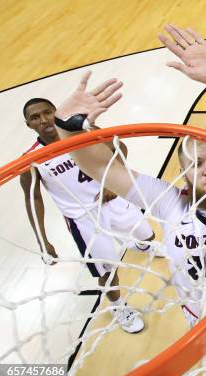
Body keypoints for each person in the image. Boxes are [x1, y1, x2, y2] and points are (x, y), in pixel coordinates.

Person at [51, 25, 206, 376]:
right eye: (196, 164)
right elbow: (102, 168)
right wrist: (66, 129)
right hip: (203, 325)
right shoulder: (170, 203)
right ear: (182, 174)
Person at [20, 97, 155, 334]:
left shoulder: (80, 132)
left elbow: (119, 148)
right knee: (107, 272)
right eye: (35, 117)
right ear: (29, 125)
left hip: (114, 199)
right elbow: (33, 198)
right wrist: (43, 239)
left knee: (148, 236)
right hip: (83, 220)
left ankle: (140, 246)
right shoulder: (31, 159)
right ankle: (118, 307)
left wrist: (113, 183)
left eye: (47, 112)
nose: (43, 120)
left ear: (56, 112)